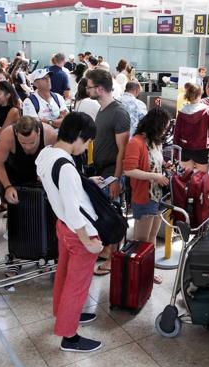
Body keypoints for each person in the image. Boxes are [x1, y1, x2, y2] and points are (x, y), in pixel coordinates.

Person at [35, 111, 103, 353]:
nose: (86, 148)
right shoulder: (66, 166)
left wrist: (82, 182)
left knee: (64, 275)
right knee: (78, 284)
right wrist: (89, 242)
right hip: (78, 232)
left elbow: (57, 187)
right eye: (86, 142)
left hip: (62, 227)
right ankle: (69, 336)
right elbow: (75, 212)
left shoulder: (47, 154)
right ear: (78, 137)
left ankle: (63, 313)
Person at [85, 68, 130, 276]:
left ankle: (113, 256)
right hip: (101, 168)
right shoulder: (102, 110)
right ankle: (106, 249)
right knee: (102, 212)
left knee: (112, 213)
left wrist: (116, 179)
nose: (87, 89)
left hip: (113, 170)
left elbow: (123, 149)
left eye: (90, 86)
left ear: (100, 89)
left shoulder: (118, 112)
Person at [118, 107, 170, 282]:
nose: (165, 131)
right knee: (141, 240)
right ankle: (136, 275)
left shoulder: (156, 142)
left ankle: (147, 271)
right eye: (164, 127)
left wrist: (165, 166)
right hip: (144, 196)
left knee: (152, 238)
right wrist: (155, 176)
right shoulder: (136, 142)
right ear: (156, 126)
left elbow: (156, 161)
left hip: (158, 196)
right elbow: (129, 170)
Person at [0, 116, 58, 204]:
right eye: (23, 143)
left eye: (32, 142)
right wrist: (8, 186)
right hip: (14, 173)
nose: (28, 147)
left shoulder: (50, 135)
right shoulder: (7, 135)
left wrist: (45, 175)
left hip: (39, 175)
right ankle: (4, 205)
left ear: (38, 132)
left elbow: (57, 163)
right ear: (16, 133)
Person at [173, 82, 209, 173]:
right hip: (202, 149)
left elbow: (176, 133)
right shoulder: (206, 110)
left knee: (185, 179)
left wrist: (176, 151)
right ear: (200, 94)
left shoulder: (182, 111)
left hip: (185, 148)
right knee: (201, 180)